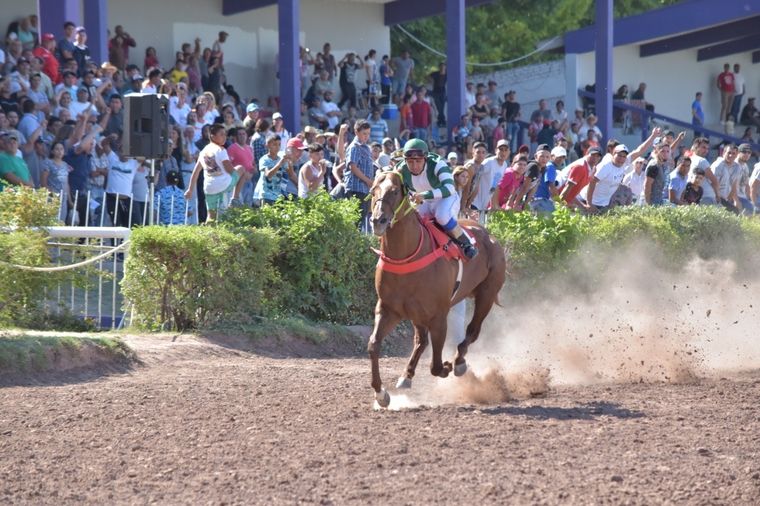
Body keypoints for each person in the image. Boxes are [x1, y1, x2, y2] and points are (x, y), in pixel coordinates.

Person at [396, 138, 477, 259]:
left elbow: (450, 188)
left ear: (425, 158)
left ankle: (466, 244)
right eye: (410, 162)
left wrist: (424, 195)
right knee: (413, 221)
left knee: (442, 216)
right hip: (423, 200)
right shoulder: (400, 169)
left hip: (446, 198)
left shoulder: (438, 164)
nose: (414, 166)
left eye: (418, 161)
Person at [183, 124, 246, 222]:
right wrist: (236, 177)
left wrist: (190, 190)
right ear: (212, 136)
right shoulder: (221, 150)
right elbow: (230, 169)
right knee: (241, 168)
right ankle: (235, 198)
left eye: (225, 134)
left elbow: (195, 172)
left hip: (209, 188)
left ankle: (209, 235)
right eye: (221, 134)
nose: (224, 137)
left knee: (211, 216)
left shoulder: (203, 151)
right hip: (224, 184)